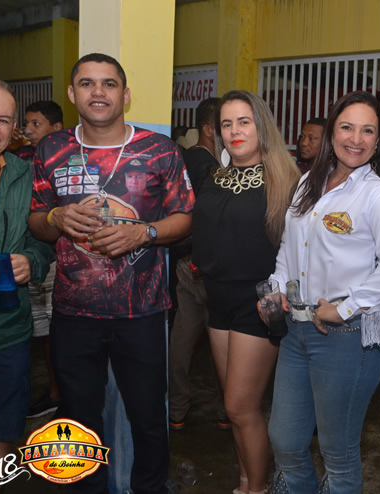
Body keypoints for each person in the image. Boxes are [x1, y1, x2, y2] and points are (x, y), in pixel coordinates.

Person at [28, 53, 194, 494]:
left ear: (125, 94)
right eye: (87, 83)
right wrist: (56, 218)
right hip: (73, 312)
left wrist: (145, 232)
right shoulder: (51, 149)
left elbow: (185, 218)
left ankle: (150, 487)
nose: (98, 92)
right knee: (78, 418)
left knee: (148, 416)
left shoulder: (159, 150)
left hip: (142, 311)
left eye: (108, 83)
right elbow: (36, 220)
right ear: (72, 93)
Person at [265, 90, 380, 493]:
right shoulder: (307, 184)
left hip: (345, 339)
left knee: (338, 455)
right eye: (347, 127)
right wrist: (277, 289)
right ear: (332, 132)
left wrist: (348, 306)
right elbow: (289, 249)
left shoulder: (377, 195)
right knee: (285, 441)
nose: (356, 139)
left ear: (378, 140)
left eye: (368, 131)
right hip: (296, 332)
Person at [192, 90, 300, 494]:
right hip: (216, 300)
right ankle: (243, 481)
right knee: (233, 407)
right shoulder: (213, 178)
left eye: (244, 122)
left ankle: (257, 489)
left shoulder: (287, 183)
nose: (234, 131)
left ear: (262, 127)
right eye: (226, 124)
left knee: (240, 405)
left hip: (258, 304)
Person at [0, 78, 53, 494]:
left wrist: (31, 261)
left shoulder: (26, 174)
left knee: (3, 425)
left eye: (3, 120)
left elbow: (42, 240)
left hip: (8, 328)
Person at [168, 97, 230, 432]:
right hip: (206, 265)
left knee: (182, 339)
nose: (232, 132)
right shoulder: (207, 167)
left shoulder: (186, 159)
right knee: (223, 343)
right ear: (208, 129)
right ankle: (225, 410)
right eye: (225, 124)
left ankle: (176, 410)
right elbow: (209, 219)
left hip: (187, 261)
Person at [7, 100, 64, 419]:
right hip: (25, 254)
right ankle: (48, 392)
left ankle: (60, 394)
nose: (28, 129)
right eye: (25, 123)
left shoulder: (63, 159)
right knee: (38, 331)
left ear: (56, 129)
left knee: (57, 332)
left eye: (36, 124)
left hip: (53, 256)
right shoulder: (20, 156)